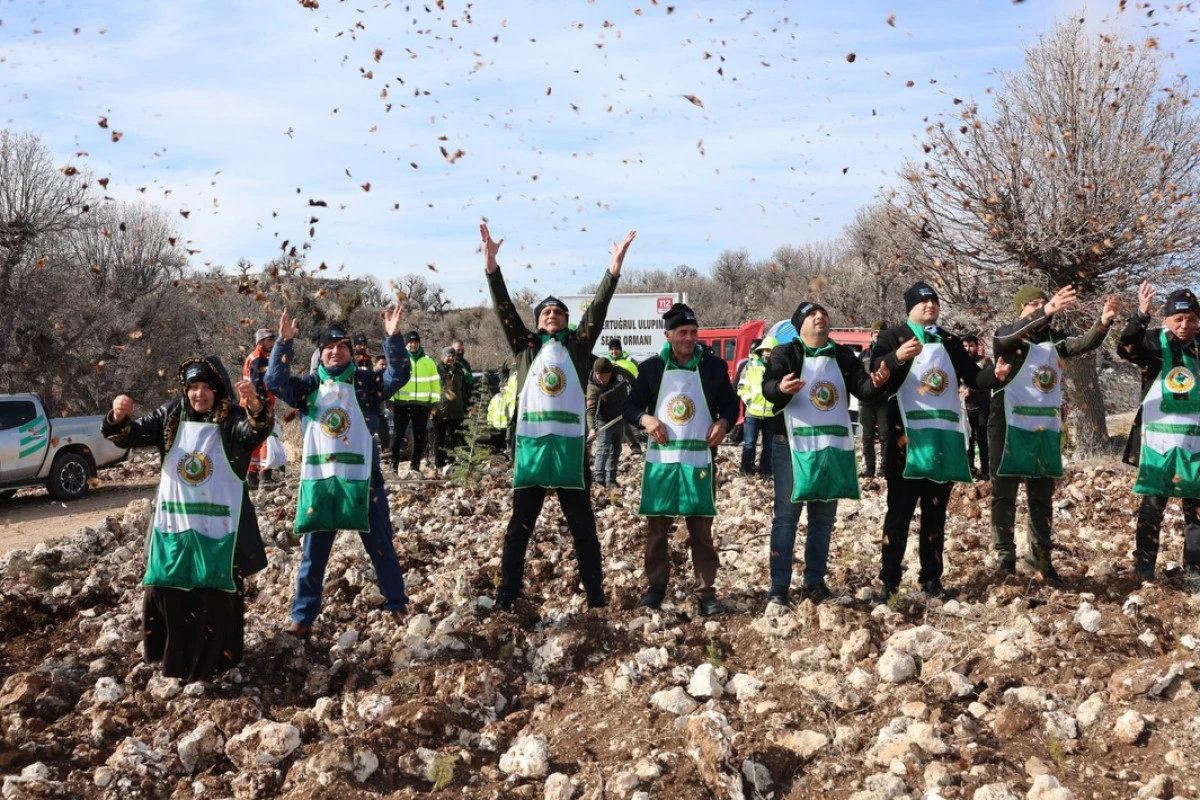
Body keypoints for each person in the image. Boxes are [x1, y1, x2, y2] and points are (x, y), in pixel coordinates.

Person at [483, 222, 637, 611]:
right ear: (537, 321)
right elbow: (503, 310)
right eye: (545, 311)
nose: (552, 314)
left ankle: (596, 597)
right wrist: (491, 267)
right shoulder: (524, 347)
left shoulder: (580, 346)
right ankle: (506, 595)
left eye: (559, 311)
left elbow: (598, 311)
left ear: (568, 321)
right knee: (519, 527)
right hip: (531, 453)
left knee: (584, 528)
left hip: (570, 455)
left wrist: (613, 269)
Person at [102, 356, 272, 681]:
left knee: (215, 594)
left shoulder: (234, 418)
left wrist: (255, 405)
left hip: (221, 529)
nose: (199, 394)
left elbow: (256, 429)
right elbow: (130, 435)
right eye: (193, 386)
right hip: (174, 526)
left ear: (218, 389)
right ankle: (170, 661)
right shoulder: (170, 416)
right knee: (168, 588)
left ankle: (217, 664)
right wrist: (118, 417)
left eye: (207, 387)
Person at [267, 310, 412, 635]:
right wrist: (283, 342)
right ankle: (302, 618)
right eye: (328, 346)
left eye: (342, 346)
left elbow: (399, 376)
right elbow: (274, 382)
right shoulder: (308, 386)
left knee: (381, 547)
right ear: (320, 352)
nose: (335, 351)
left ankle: (397, 604)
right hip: (321, 485)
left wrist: (393, 338)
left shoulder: (367, 383)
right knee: (312, 557)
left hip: (364, 482)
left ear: (350, 351)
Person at [871, 281, 1004, 601]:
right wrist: (896, 358)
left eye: (934, 301)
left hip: (942, 442)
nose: (930, 305)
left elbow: (973, 377)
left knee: (936, 514)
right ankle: (889, 581)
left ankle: (931, 578)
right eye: (923, 301)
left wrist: (995, 375)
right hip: (905, 442)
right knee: (899, 514)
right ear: (909, 307)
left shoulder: (948, 340)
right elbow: (874, 373)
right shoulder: (892, 337)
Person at [762, 303, 889, 605]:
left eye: (824, 315)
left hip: (829, 447)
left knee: (822, 518)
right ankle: (779, 586)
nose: (820, 318)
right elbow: (768, 388)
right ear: (799, 325)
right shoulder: (786, 353)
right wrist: (781, 386)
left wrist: (876, 382)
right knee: (786, 517)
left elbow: (862, 388)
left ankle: (814, 580)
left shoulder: (842, 354)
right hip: (792, 445)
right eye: (812, 315)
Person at [988, 284, 1117, 583]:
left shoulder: (1053, 341)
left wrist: (1103, 323)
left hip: (1043, 430)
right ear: (1020, 310)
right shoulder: (1006, 337)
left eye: (1042, 303)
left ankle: (1041, 560)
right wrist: (1045, 311)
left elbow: (1081, 344)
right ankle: (1004, 560)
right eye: (1031, 305)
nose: (1039, 308)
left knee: (1041, 497)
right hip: (1007, 427)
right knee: (1004, 495)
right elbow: (1006, 336)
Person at [624, 302, 739, 616]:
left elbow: (731, 405)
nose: (690, 338)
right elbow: (630, 407)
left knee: (701, 529)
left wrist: (723, 423)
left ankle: (706, 591)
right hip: (661, 461)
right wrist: (645, 420)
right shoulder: (649, 369)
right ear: (668, 335)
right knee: (657, 528)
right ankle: (655, 587)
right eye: (683, 333)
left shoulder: (714, 367)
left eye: (693, 332)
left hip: (698, 460)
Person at [1118, 282, 1200, 583]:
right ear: (1165, 319)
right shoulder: (1152, 343)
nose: (1184, 324)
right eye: (1178, 319)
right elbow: (1125, 347)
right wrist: (1140, 314)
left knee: (1196, 510)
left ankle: (1195, 571)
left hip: (1195, 443)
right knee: (1152, 506)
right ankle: (1143, 567)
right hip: (1157, 442)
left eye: (1191, 319)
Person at [389, 330, 441, 474]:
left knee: (420, 436)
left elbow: (435, 383)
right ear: (406, 344)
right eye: (410, 342)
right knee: (397, 435)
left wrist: (435, 402)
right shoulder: (400, 359)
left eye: (415, 342)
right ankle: (393, 465)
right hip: (402, 403)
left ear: (419, 343)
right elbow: (393, 380)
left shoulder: (428, 361)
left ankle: (415, 466)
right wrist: (390, 399)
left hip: (422, 404)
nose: (413, 344)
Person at [585, 356, 632, 488]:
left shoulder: (620, 373)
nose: (601, 378)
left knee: (616, 449)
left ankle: (611, 479)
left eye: (605, 376)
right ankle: (599, 479)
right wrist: (592, 428)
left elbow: (635, 384)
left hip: (620, 418)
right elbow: (590, 410)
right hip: (604, 422)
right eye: (599, 375)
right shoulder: (593, 387)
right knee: (603, 449)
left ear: (610, 373)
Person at [737, 337, 777, 477]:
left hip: (772, 414)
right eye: (766, 350)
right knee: (749, 443)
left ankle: (765, 470)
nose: (768, 353)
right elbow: (742, 386)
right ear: (761, 351)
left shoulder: (779, 368)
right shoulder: (750, 366)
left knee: (769, 445)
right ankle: (745, 469)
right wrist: (748, 401)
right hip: (753, 411)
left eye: (771, 351)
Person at [242, 328, 277, 487]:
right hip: (259, 405)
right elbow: (258, 385)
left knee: (254, 441)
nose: (272, 344)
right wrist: (264, 403)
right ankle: (265, 476)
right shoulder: (259, 359)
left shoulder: (253, 356)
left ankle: (251, 476)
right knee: (265, 439)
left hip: (248, 404)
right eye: (269, 340)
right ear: (261, 341)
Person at [960, 335, 993, 480]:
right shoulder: (958, 363)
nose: (968, 349)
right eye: (965, 346)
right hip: (964, 408)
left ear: (976, 346)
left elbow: (989, 381)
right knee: (968, 438)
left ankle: (986, 470)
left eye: (971, 346)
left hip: (982, 406)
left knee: (982, 439)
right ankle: (969, 468)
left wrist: (971, 390)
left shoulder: (985, 361)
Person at [858, 322, 887, 478]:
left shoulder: (891, 354)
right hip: (866, 401)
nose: (878, 334)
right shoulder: (864, 355)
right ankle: (870, 468)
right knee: (867, 436)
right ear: (871, 334)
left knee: (885, 436)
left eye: (881, 332)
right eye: (875, 332)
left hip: (884, 401)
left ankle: (884, 469)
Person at [434, 345, 468, 470]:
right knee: (440, 440)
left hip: (457, 411)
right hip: (440, 411)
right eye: (448, 356)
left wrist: (466, 406)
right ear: (443, 357)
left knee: (455, 438)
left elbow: (465, 389)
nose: (451, 358)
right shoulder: (437, 370)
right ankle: (439, 464)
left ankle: (452, 461)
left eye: (453, 356)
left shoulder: (459, 370)